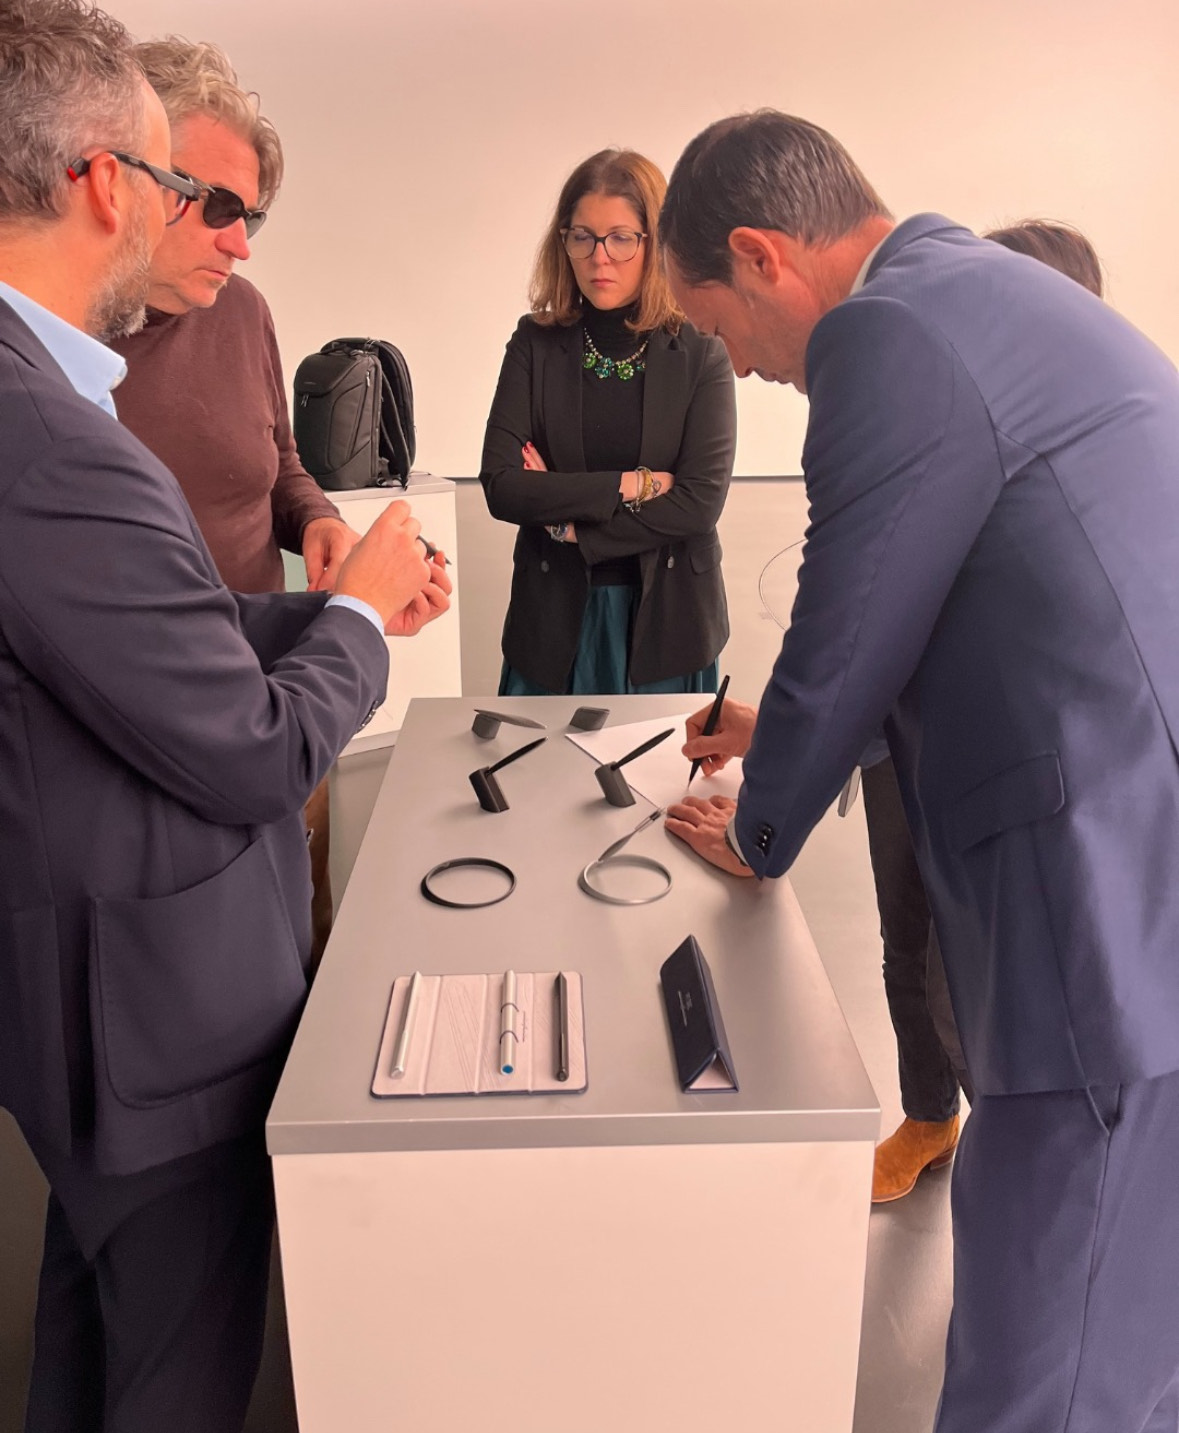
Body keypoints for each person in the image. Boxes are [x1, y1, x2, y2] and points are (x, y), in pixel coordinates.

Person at [658, 110, 1179, 1432]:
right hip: (1132, 866)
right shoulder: (974, 296)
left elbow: (850, 614)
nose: (743, 364)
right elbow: (967, 608)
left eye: (720, 327)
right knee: (1115, 1327)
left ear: (763, 255)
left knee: (1043, 1358)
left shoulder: (885, 331)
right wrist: (778, 732)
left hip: (1111, 902)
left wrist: (760, 826)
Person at [0, 4, 449, 1429]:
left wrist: (325, 602)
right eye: (182, 187)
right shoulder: (52, 437)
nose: (225, 237)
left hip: (95, 973)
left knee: (98, 1320)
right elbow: (248, 751)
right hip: (147, 1004)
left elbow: (136, 633)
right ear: (106, 182)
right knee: (179, 1359)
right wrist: (357, 622)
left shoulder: (67, 388)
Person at [866, 218, 1107, 1203]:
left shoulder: (1094, 462)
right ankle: (929, 1115)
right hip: (896, 740)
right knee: (902, 939)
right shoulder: (939, 432)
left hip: (1003, 771)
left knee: (965, 981)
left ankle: (1032, 1170)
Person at [109, 37, 353, 965]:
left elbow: (277, 457)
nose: (238, 242)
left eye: (249, 216)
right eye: (216, 206)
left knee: (300, 929)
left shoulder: (242, 310)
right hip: (152, 736)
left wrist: (318, 519)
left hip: (280, 701)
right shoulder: (55, 361)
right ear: (123, 178)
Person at [479, 148, 736, 696]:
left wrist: (571, 527)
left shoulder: (701, 349)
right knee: (540, 755)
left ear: (655, 243)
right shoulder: (534, 343)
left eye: (621, 238)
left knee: (660, 758)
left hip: (668, 626)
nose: (600, 258)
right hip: (554, 623)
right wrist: (633, 485)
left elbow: (698, 503)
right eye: (583, 237)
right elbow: (502, 485)